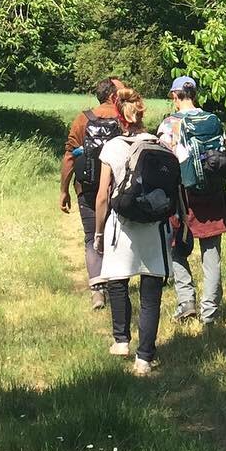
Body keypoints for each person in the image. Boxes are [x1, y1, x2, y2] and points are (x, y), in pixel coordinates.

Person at [95, 89, 174, 377]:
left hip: (122, 224)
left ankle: (121, 341)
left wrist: (98, 233)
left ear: (119, 116)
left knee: (117, 280)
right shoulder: (160, 144)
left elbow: (103, 195)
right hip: (154, 225)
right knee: (151, 292)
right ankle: (145, 358)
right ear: (142, 114)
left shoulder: (112, 146)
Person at [158, 74, 226, 327]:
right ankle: (210, 314)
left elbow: (164, 161)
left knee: (176, 248)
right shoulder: (213, 120)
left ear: (175, 95)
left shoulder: (170, 123)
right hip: (213, 194)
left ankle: (186, 303)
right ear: (195, 94)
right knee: (212, 253)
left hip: (183, 196)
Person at [60, 77, 127, 310]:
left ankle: (98, 291)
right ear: (112, 96)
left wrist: (64, 190)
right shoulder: (123, 118)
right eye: (121, 90)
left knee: (92, 237)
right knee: (117, 234)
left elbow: (70, 155)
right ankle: (118, 283)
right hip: (118, 186)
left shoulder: (82, 119)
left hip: (87, 187)